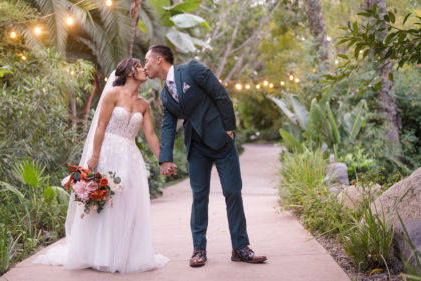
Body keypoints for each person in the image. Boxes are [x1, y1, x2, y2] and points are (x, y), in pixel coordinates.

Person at [33, 58, 169, 274]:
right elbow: (100, 127)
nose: (144, 69)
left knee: (128, 203)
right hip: (108, 152)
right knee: (105, 201)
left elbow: (150, 134)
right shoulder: (112, 95)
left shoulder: (144, 104)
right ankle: (99, 254)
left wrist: (163, 160)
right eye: (139, 66)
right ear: (130, 73)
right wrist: (95, 156)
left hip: (131, 156)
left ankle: (124, 253)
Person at [144, 44, 267, 267]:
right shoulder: (165, 94)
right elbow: (168, 126)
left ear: (159, 59)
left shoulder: (192, 69)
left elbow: (220, 94)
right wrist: (165, 158)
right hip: (196, 148)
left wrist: (229, 128)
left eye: (146, 61)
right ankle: (199, 249)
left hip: (222, 142)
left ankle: (240, 247)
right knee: (199, 196)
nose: (145, 66)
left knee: (232, 192)